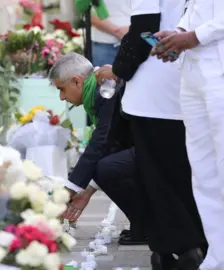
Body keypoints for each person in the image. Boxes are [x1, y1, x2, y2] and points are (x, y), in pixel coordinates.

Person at [94, 0, 208, 269]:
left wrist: (118, 70)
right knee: (188, 174)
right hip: (186, 85)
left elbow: (144, 28)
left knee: (156, 177)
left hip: (152, 91)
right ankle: (196, 243)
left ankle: (177, 247)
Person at [151, 1, 224, 269]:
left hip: (219, 72)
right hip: (193, 73)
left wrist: (192, 37)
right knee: (204, 173)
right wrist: (176, 33)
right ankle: (218, 258)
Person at [47, 52, 147, 245]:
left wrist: (70, 190)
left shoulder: (105, 89)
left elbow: (101, 142)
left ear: (77, 81)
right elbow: (109, 143)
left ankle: (148, 225)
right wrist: (86, 190)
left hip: (157, 150)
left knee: (107, 167)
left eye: (62, 89)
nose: (61, 97)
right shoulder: (98, 91)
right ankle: (143, 225)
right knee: (105, 166)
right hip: (143, 149)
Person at [90, 0, 132, 66]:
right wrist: (117, 32)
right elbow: (89, 13)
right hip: (104, 45)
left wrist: (133, 29)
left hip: (134, 42)